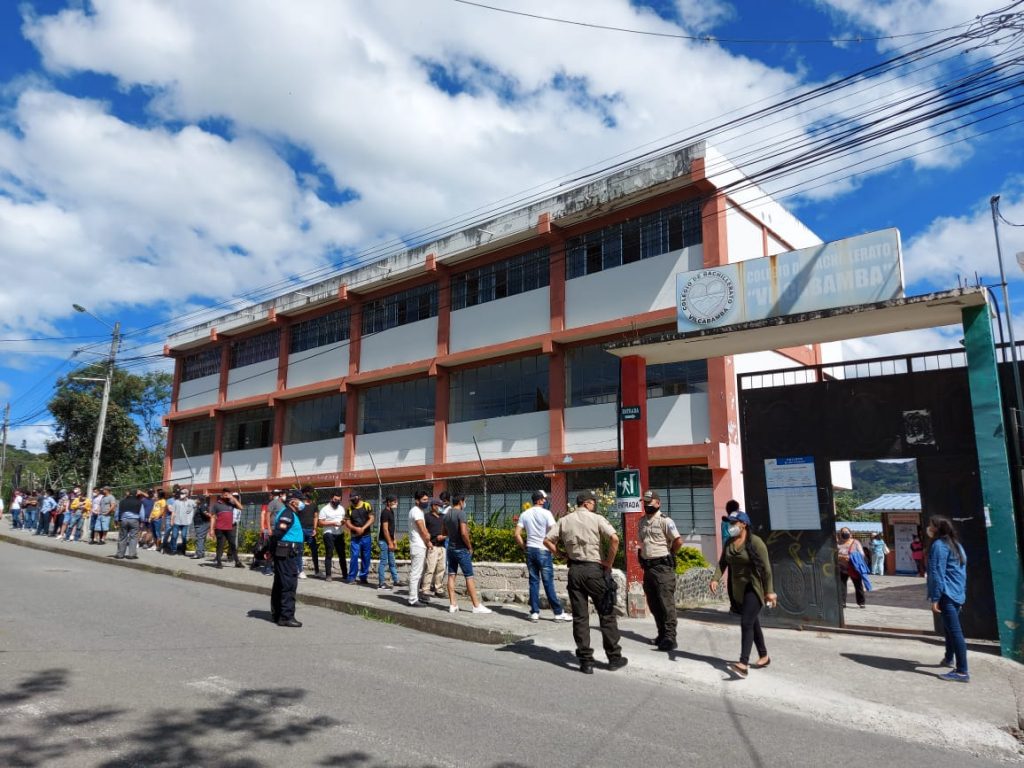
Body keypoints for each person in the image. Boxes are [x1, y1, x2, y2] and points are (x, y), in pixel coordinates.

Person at [544, 491, 627, 674]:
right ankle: (614, 658)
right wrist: (609, 563)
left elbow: (547, 540)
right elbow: (614, 538)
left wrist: (560, 554)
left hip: (574, 570)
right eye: (593, 503)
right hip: (594, 570)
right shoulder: (596, 518)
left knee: (580, 618)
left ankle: (586, 661)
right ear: (588, 503)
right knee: (606, 613)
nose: (594, 506)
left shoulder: (565, 520)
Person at [710, 509, 776, 678]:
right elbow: (722, 562)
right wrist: (715, 579)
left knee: (746, 622)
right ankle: (764, 655)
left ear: (744, 524)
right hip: (737, 589)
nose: (731, 526)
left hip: (753, 588)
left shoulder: (756, 542)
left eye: (734, 523)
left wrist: (769, 591)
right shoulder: (729, 543)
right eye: (729, 523)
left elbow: (767, 569)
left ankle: (743, 663)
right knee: (752, 622)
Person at [515, 490, 571, 623]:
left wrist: (524, 547)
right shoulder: (547, 513)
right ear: (539, 500)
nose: (546, 501)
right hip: (543, 550)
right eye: (544, 499)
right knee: (548, 583)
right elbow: (554, 532)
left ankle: (534, 613)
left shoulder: (524, 514)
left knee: (533, 582)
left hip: (530, 550)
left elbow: (516, 534)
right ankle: (558, 613)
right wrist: (554, 548)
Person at [638, 490, 683, 651]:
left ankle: (671, 638)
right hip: (649, 568)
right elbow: (643, 542)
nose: (647, 505)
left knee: (666, 603)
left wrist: (671, 554)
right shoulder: (642, 521)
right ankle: (661, 634)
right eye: (645, 503)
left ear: (658, 503)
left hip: (663, 567)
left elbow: (678, 541)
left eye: (650, 503)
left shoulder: (666, 521)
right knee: (654, 603)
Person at [926, 515, 969, 682]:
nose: (928, 528)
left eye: (930, 525)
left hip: (946, 594)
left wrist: (935, 598)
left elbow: (937, 572)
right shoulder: (956, 545)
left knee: (955, 632)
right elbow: (962, 570)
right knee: (949, 628)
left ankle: (962, 671)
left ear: (936, 528)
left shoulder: (938, 545)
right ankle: (949, 658)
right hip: (957, 592)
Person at [443, 494, 492, 614]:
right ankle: (476, 605)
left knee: (451, 575)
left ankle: (452, 605)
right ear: (460, 501)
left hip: (450, 549)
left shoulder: (446, 515)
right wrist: (469, 547)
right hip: (461, 549)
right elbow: (464, 533)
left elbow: (443, 532)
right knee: (469, 576)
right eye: (464, 501)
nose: (465, 503)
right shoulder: (461, 514)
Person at [270, 491, 305, 628]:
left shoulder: (291, 513)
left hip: (287, 552)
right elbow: (278, 533)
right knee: (289, 584)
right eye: (300, 500)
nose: (303, 503)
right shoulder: (287, 514)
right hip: (287, 553)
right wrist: (271, 551)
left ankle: (278, 614)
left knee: (280, 583)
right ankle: (286, 617)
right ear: (293, 501)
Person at [407, 490, 433, 606]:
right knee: (416, 573)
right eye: (424, 500)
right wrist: (428, 540)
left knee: (419, 573)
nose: (426, 502)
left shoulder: (419, 511)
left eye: (427, 500)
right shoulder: (416, 511)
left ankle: (416, 596)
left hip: (419, 545)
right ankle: (413, 599)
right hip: (418, 545)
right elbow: (422, 529)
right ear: (417, 501)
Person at [345, 492, 374, 584]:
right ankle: (351, 577)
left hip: (366, 536)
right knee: (354, 556)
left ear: (359, 497)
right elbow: (347, 522)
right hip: (355, 537)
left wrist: (363, 528)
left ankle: (363, 577)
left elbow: (372, 518)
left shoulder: (367, 505)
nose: (353, 500)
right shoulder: (349, 509)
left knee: (366, 557)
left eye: (355, 497)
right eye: (351, 498)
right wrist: (355, 529)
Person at [421, 498, 448, 595]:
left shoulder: (443, 517)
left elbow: (448, 530)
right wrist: (428, 542)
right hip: (432, 546)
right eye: (438, 505)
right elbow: (423, 531)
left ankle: (438, 588)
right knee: (430, 568)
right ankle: (425, 588)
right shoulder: (427, 517)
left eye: (441, 506)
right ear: (433, 506)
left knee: (441, 569)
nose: (440, 507)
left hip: (442, 546)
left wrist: (444, 536)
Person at [211, 491, 244, 568]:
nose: (227, 496)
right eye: (225, 495)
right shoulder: (216, 505)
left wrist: (233, 498)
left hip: (229, 528)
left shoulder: (231, 504)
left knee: (233, 545)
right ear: (221, 495)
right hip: (219, 528)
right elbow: (212, 517)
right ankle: (219, 562)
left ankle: (237, 562)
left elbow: (241, 507)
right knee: (220, 545)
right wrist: (211, 529)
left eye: (228, 494)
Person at [319, 493, 346, 581]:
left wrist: (342, 522)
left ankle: (345, 574)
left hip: (339, 533)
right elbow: (321, 522)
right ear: (331, 499)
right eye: (335, 500)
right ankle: (328, 575)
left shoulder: (341, 508)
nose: (337, 502)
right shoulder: (325, 509)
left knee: (342, 554)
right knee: (329, 553)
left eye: (339, 500)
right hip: (328, 533)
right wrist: (332, 523)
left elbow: (343, 520)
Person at [837, 527, 867, 608]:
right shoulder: (838, 543)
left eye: (846, 531)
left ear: (850, 533)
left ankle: (861, 602)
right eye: (843, 532)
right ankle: (842, 602)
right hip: (842, 568)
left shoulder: (855, 542)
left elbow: (862, 554)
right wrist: (840, 557)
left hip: (854, 567)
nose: (845, 533)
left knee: (858, 585)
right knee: (841, 586)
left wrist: (850, 557)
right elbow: (834, 554)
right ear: (840, 534)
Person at [377, 495, 400, 590]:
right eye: (394, 502)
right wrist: (389, 542)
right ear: (388, 502)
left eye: (396, 501)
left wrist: (394, 540)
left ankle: (396, 580)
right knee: (383, 562)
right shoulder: (385, 513)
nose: (396, 504)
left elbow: (392, 528)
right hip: (384, 541)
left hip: (390, 540)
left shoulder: (391, 512)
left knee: (392, 561)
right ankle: (381, 583)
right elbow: (385, 529)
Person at [114, 489, 145, 559]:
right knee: (133, 537)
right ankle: (131, 554)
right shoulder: (139, 502)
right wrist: (142, 522)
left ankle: (120, 554)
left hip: (124, 520)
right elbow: (142, 514)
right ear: (136, 494)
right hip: (134, 520)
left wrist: (116, 520)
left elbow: (117, 512)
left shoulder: (122, 501)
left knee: (122, 537)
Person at [296, 489, 319, 580]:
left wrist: (315, 528)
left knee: (314, 550)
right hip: (301, 530)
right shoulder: (300, 505)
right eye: (307, 493)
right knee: (300, 550)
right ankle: (300, 571)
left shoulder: (314, 505)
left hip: (310, 530)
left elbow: (316, 516)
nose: (309, 495)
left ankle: (317, 570)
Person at [166, 489, 195, 555]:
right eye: (181, 493)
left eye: (183, 493)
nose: (181, 494)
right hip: (176, 522)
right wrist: (171, 520)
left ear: (187, 494)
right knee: (174, 536)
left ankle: (183, 549)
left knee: (184, 536)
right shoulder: (176, 502)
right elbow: (173, 511)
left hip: (185, 523)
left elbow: (197, 503)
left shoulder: (191, 502)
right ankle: (173, 550)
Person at [191, 493, 211, 561]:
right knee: (202, 538)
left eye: (197, 498)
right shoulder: (201, 505)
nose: (196, 500)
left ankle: (198, 554)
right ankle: (201, 553)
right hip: (202, 524)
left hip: (201, 524)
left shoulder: (202, 506)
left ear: (199, 500)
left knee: (200, 538)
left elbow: (205, 513)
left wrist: (212, 516)